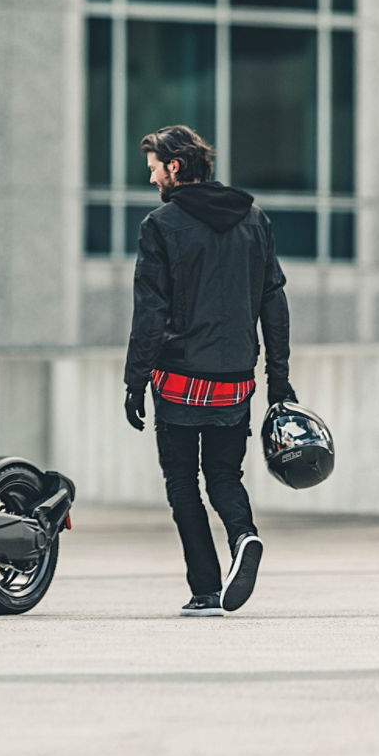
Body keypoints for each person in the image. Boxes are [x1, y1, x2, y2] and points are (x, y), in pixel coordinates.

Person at [123, 125, 294, 617]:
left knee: (182, 483)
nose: (150, 174)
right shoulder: (254, 220)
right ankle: (244, 535)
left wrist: (135, 381)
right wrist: (277, 378)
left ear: (174, 167)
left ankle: (205, 591)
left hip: (179, 379)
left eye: (154, 165)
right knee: (224, 474)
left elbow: (149, 314)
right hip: (235, 379)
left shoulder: (161, 225)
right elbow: (273, 302)